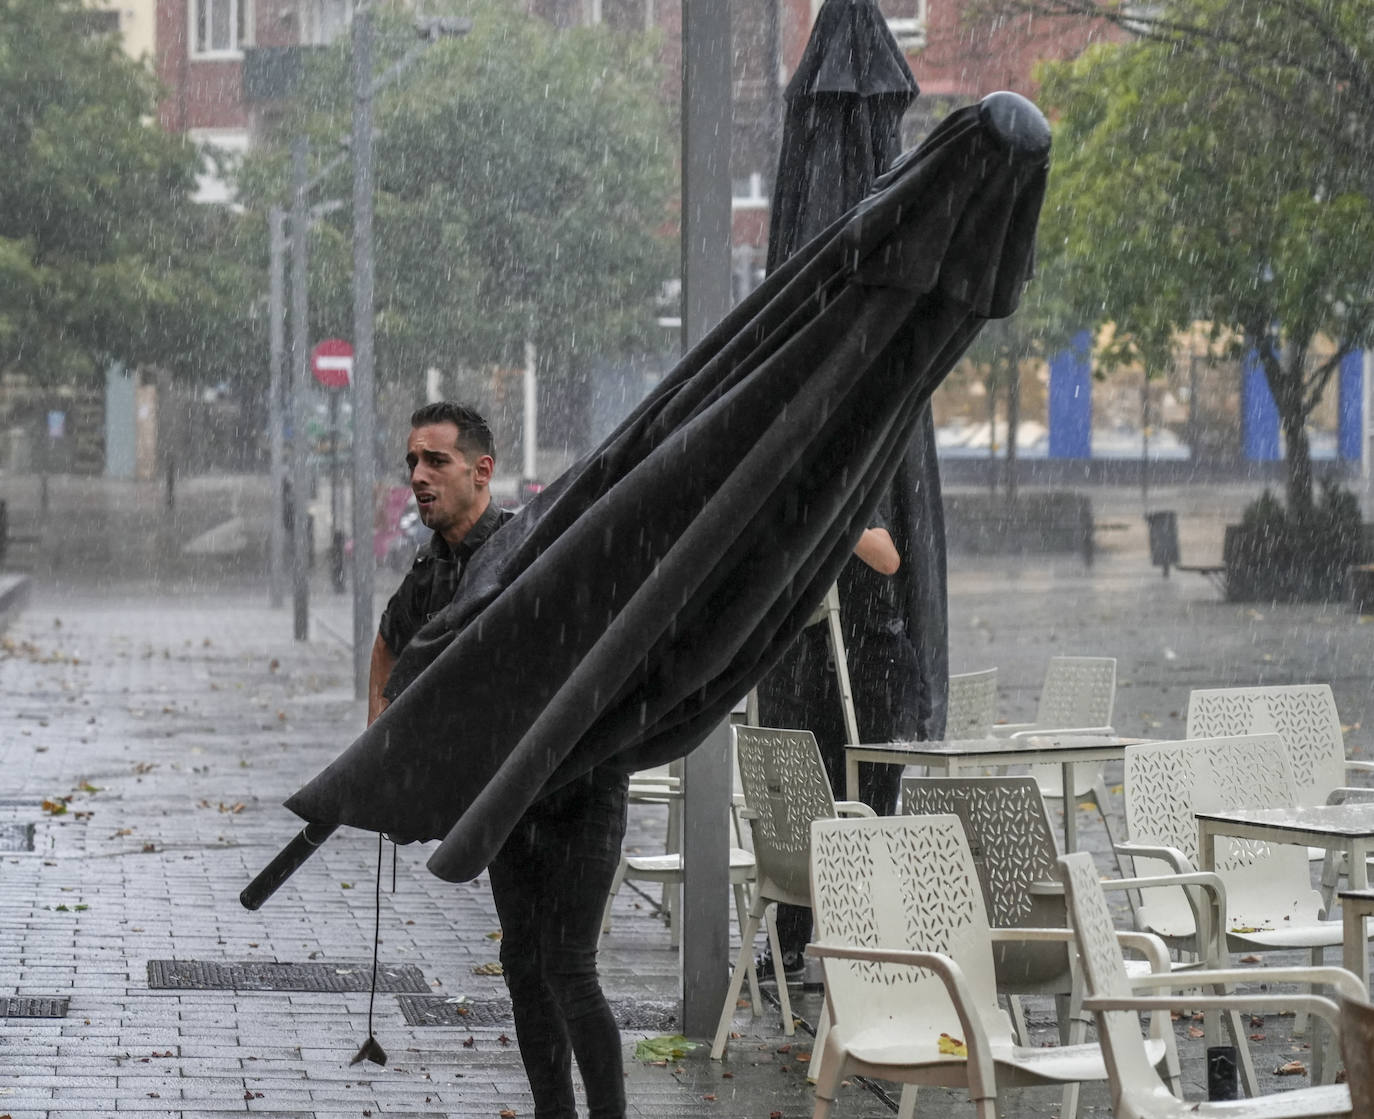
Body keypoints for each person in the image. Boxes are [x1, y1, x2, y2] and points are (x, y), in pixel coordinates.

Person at [369, 401, 630, 1119]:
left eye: (436, 462)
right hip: (511, 802)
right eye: (412, 462)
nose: (419, 476)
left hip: (579, 787)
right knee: (522, 964)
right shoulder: (430, 569)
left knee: (568, 967)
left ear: (481, 470)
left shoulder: (528, 545)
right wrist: (380, 746)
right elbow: (389, 640)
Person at [755, 486, 920, 978]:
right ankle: (791, 944)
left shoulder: (860, 485)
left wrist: (832, 517)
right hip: (815, 664)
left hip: (871, 667)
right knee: (809, 802)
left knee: (867, 801)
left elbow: (886, 557)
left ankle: (863, 943)